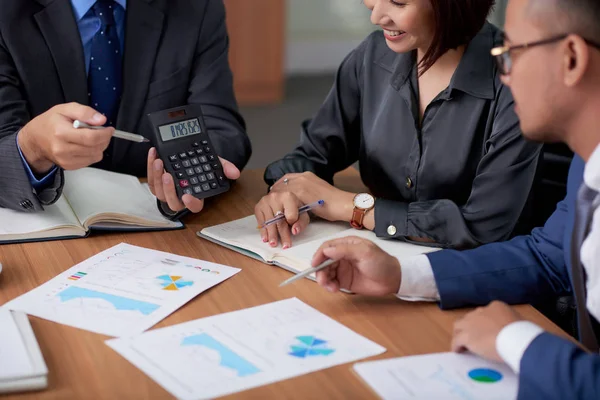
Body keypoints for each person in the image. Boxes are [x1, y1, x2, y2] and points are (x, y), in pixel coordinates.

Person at [311, 0, 600, 397]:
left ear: (570, 58)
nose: (505, 75)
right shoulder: (586, 166)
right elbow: (548, 258)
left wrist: (517, 340)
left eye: (512, 53)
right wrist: (400, 275)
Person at [254, 0, 541, 251]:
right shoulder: (373, 56)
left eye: (398, 2)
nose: (376, 16)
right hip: (378, 258)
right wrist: (286, 192)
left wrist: (353, 207)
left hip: (478, 280)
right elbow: (314, 153)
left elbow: (483, 228)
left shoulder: (516, 81)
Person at [0, 0, 251, 217]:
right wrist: (32, 148)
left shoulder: (196, 8)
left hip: (153, 220)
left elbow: (221, 127)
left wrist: (191, 176)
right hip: (44, 220)